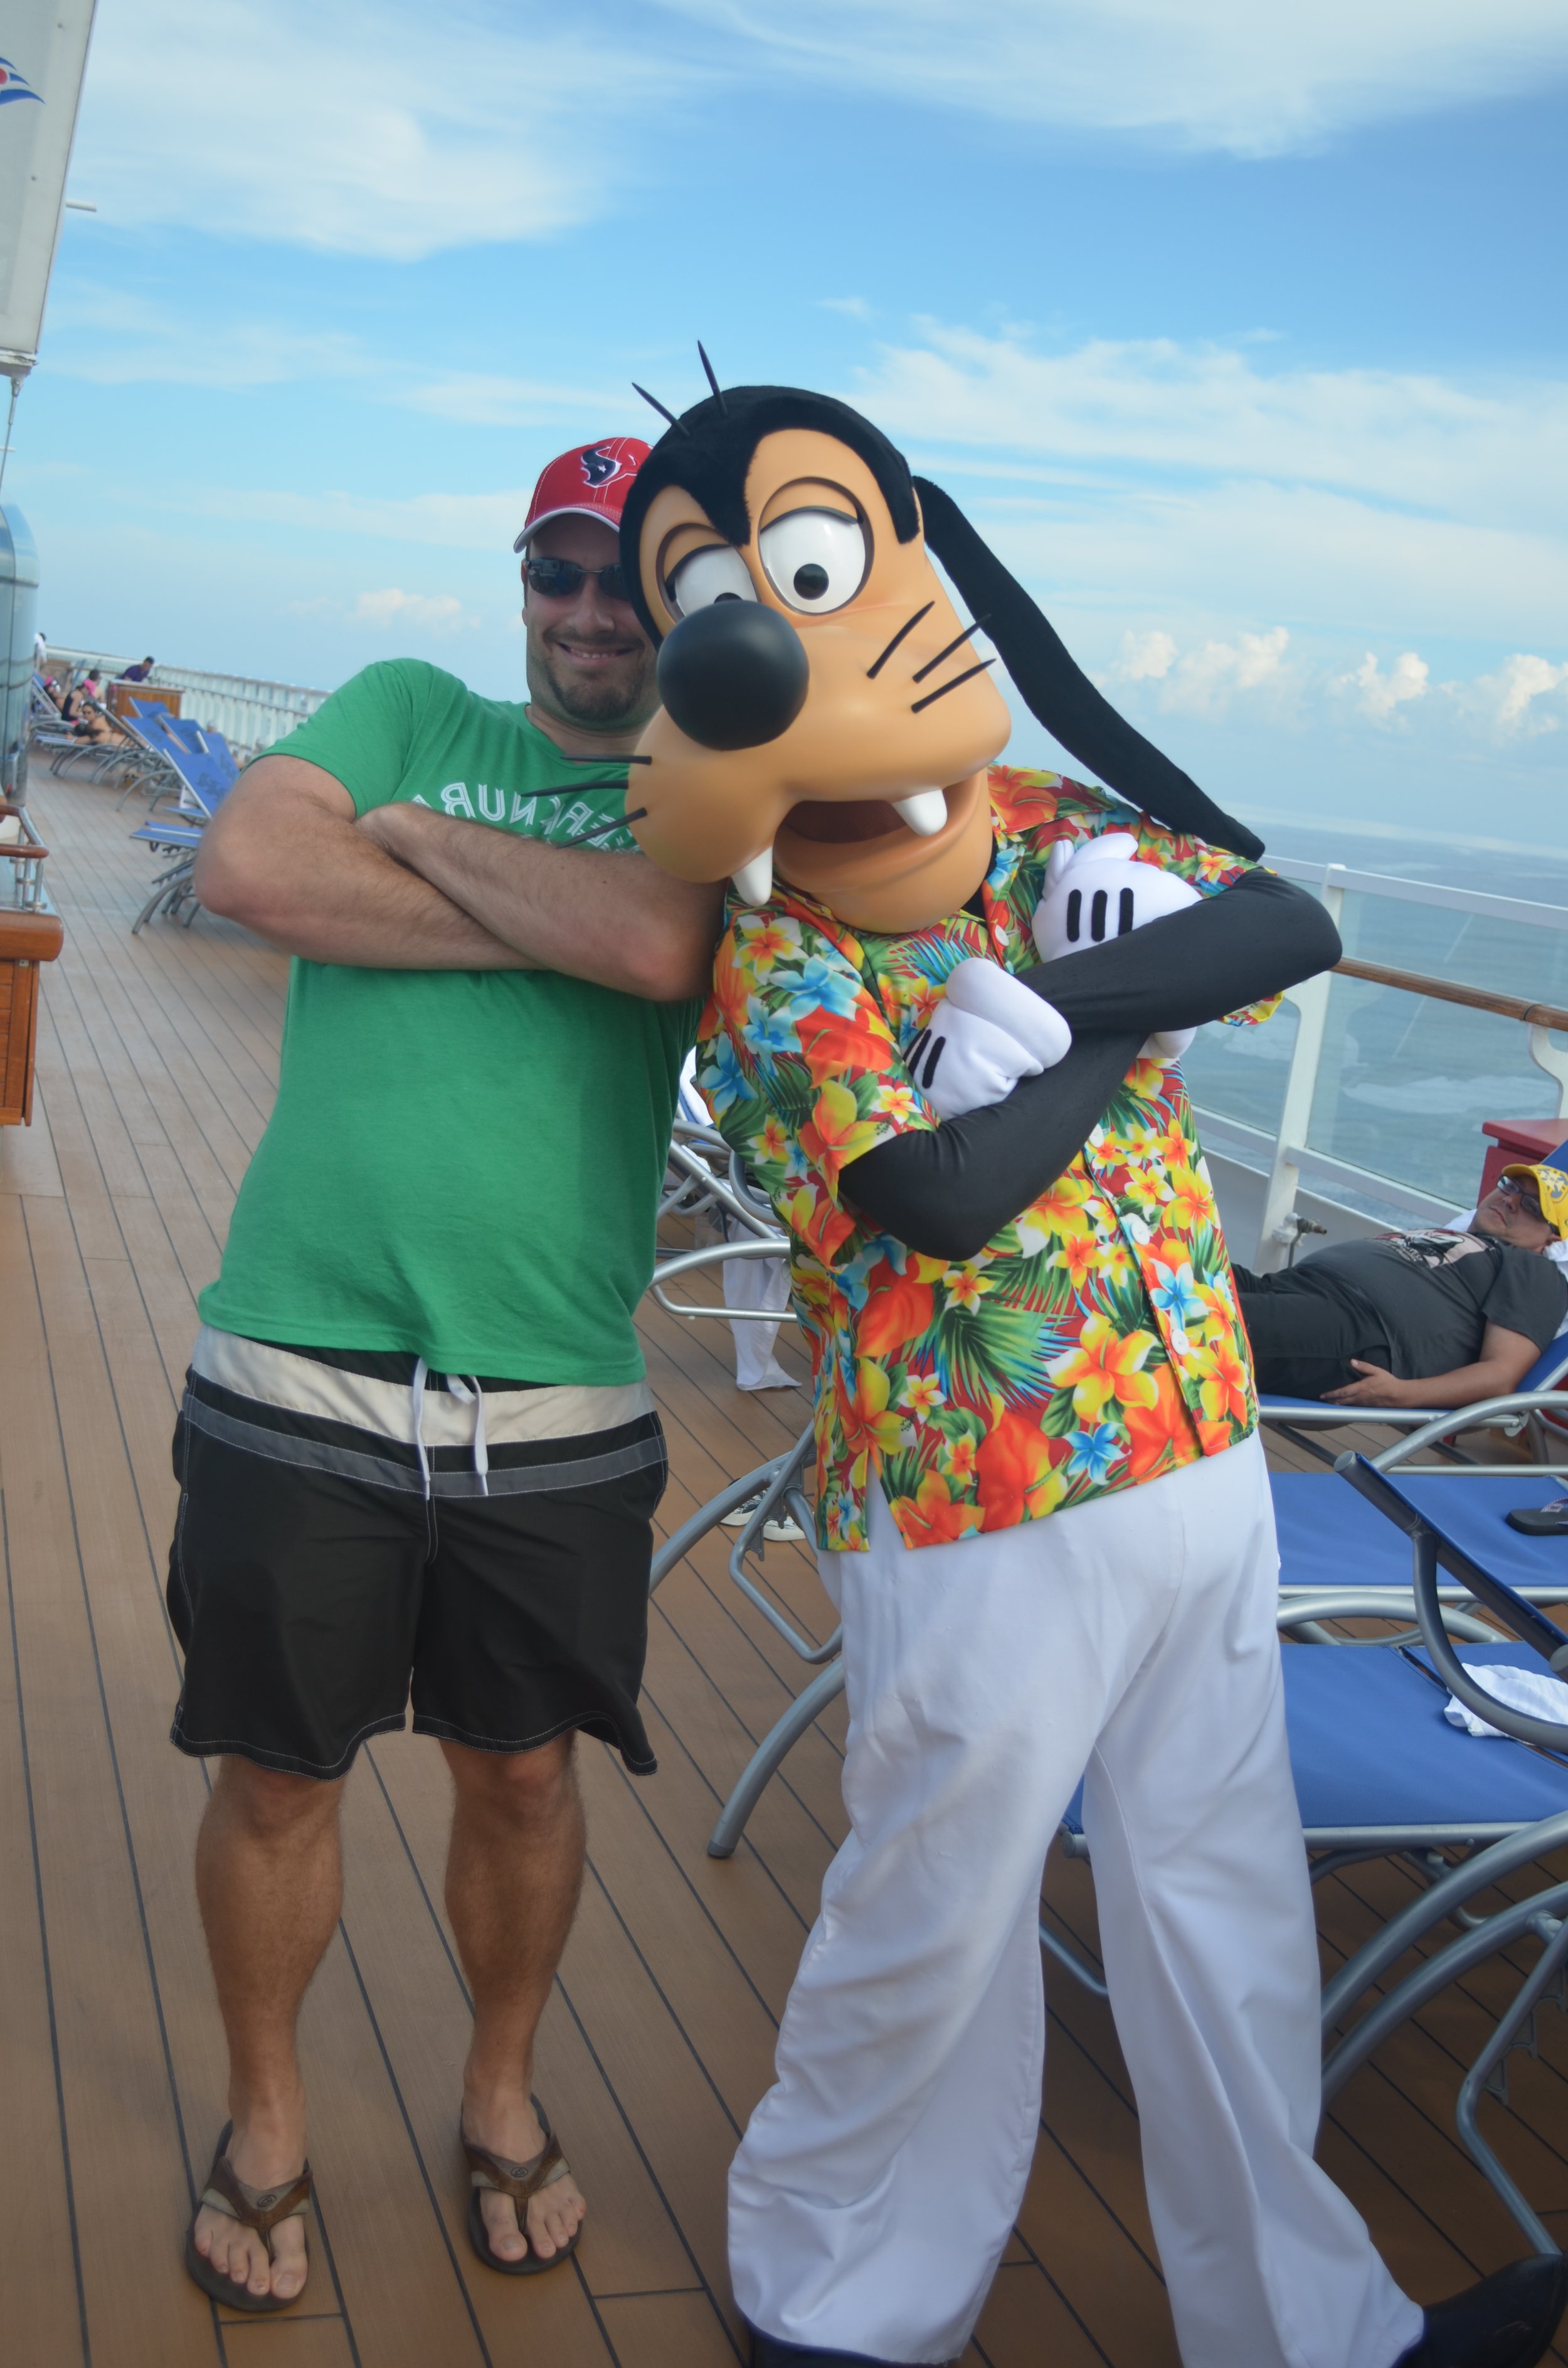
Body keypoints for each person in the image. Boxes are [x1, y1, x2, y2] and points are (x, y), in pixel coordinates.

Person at [618, 378, 1568, 2368]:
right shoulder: (774, 952)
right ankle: (829, 2297)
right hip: (970, 1497)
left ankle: (1311, 2325)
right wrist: (1123, 1016)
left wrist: (1041, 1004)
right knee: (932, 1918)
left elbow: (1280, 917)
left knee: (1226, 1912)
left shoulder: (1041, 815)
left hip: (1194, 1445)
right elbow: (933, 1192)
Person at [172, 434, 723, 2315]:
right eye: (556, 571)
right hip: (297, 1357)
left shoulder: (691, 795)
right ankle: (264, 2121)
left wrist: (403, 836)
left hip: (555, 1387)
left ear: (678, 602)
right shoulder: (410, 699)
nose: (587, 610)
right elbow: (252, 862)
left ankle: (498, 2091)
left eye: (624, 578)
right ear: (522, 585)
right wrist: (549, 914)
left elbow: (661, 934)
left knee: (525, 1775)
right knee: (274, 1777)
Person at [1234, 1163, 1568, 1407]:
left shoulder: (1536, 1271)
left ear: (1552, 1239)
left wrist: (1403, 1394)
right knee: (1200, 1264)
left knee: (1207, 1321)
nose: (1510, 1200)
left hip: (1353, 1325)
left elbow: (1501, 1376)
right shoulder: (1458, 1237)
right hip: (1288, 1285)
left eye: (1531, 1206)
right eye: (1511, 1186)